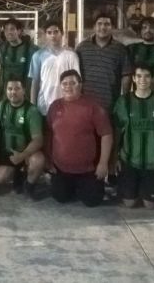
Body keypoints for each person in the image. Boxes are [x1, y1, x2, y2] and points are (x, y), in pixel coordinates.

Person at [113, 63, 154, 209]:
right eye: (139, 76)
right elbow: (117, 131)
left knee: (150, 205)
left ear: (153, 79)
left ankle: (151, 190)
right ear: (134, 79)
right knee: (129, 203)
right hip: (130, 160)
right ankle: (133, 189)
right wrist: (115, 157)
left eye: (147, 76)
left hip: (153, 161)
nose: (143, 80)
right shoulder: (124, 102)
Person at [47, 70, 113, 207]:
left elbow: (106, 134)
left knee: (92, 201)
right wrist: (49, 160)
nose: (68, 86)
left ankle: (82, 187)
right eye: (64, 83)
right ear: (60, 86)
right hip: (62, 169)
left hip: (87, 170)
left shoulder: (93, 107)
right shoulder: (54, 106)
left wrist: (103, 163)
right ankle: (72, 187)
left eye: (73, 83)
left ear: (80, 85)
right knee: (60, 198)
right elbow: (48, 134)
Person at [0, 78, 46, 199]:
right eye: (10, 89)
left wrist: (22, 155)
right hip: (8, 155)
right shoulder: (1, 106)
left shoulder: (32, 111)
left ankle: (29, 185)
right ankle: (19, 175)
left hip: (26, 155)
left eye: (17, 88)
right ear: (6, 91)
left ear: (24, 91)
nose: (13, 92)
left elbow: (38, 139)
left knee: (38, 160)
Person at [76, 12, 133, 112]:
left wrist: (124, 100)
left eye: (107, 24)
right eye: (99, 24)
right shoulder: (82, 48)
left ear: (112, 27)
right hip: (85, 105)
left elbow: (126, 76)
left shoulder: (120, 49)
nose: (103, 27)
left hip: (110, 106)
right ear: (94, 26)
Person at [29, 21, 80, 116]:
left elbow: (77, 83)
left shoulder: (71, 56)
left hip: (67, 107)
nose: (53, 35)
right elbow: (35, 82)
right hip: (44, 108)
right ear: (45, 35)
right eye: (49, 32)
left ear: (62, 33)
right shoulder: (37, 56)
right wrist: (33, 107)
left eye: (56, 32)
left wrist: (76, 105)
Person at [0, 18, 38, 102]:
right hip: (6, 95)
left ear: (19, 31)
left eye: (12, 29)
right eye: (6, 30)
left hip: (25, 96)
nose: (9, 32)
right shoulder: (2, 48)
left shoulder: (31, 49)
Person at [127, 17, 154, 82]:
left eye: (152, 27)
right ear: (140, 31)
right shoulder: (132, 48)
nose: (147, 30)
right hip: (138, 90)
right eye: (144, 28)